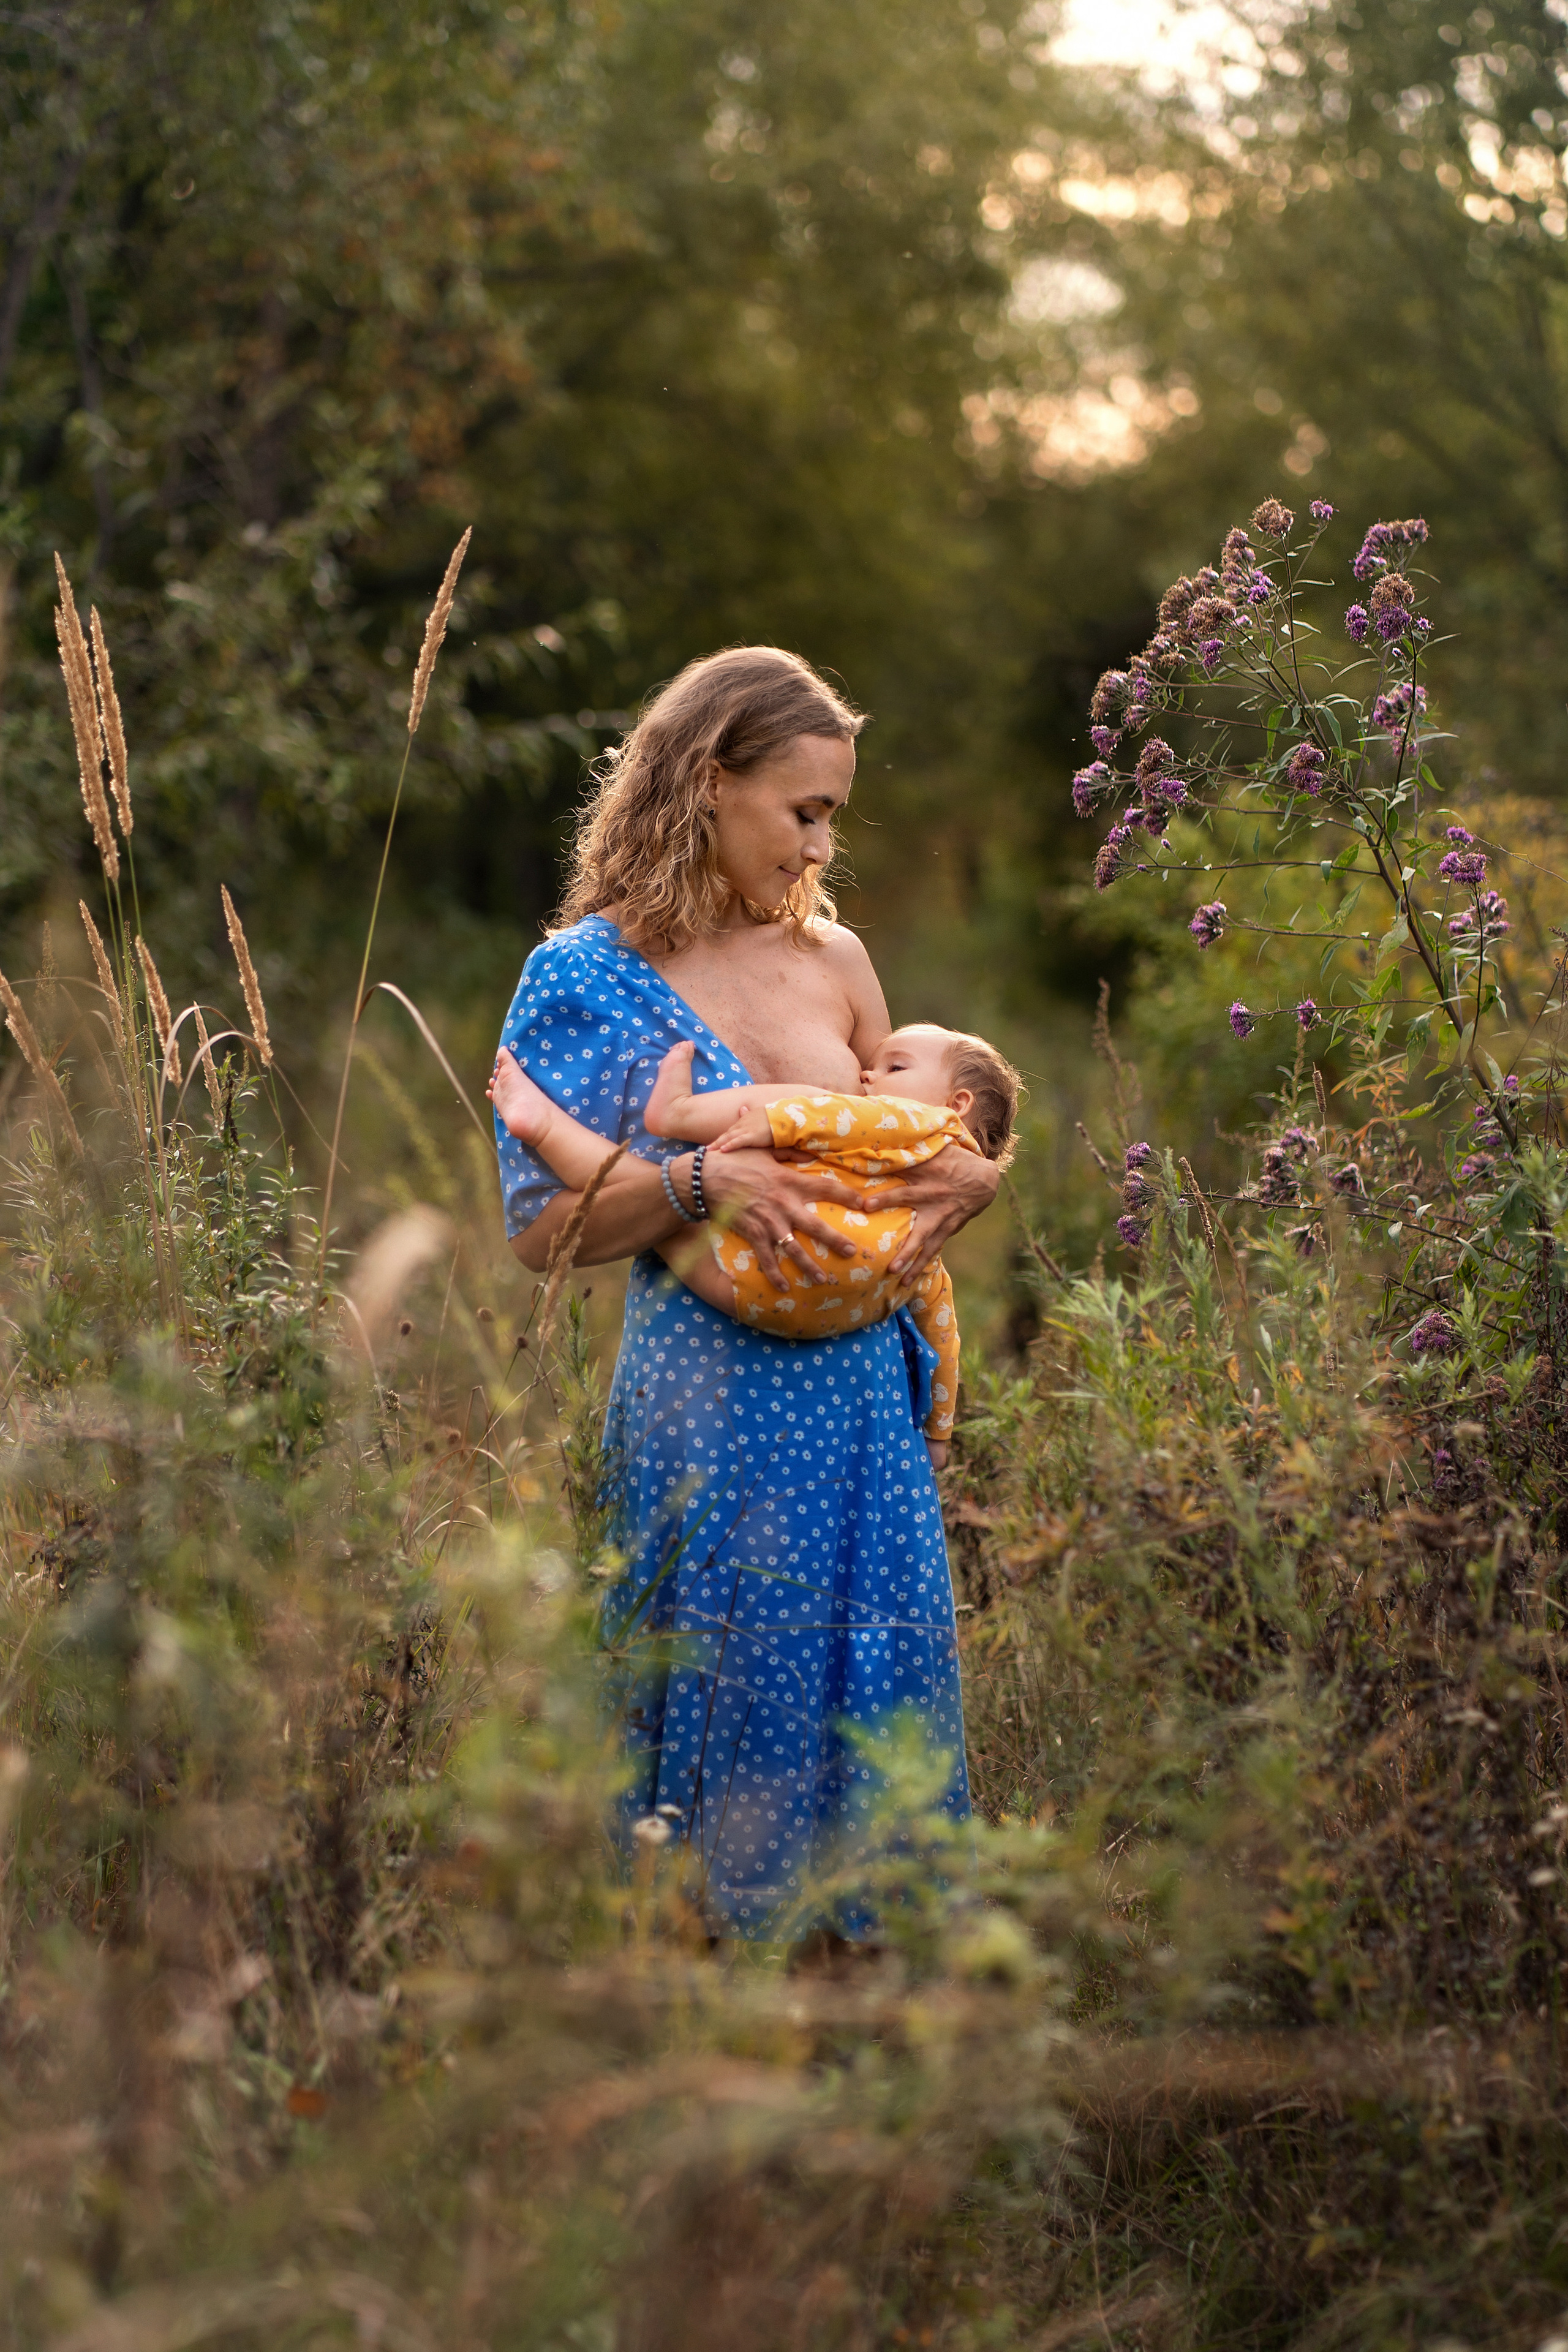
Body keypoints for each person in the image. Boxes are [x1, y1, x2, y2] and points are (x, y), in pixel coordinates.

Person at [494, 645, 1000, 1940]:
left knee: (869, 1714)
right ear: (707, 782)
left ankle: (871, 2023)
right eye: (803, 810)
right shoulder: (585, 976)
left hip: (862, 1420)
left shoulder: (835, 962)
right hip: (705, 1413)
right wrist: (690, 1187)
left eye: (833, 815)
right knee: (716, 1708)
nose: (820, 845)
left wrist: (974, 1173)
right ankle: (696, 2022)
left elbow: (897, 1144)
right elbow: (543, 1231)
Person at [489, 1021, 1022, 1465]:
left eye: (894, 1067)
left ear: (958, 1103)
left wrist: (770, 1126)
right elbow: (942, 1331)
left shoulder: (922, 1122)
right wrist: (939, 1433)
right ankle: (542, 1126)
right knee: (669, 1213)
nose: (867, 1073)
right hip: (788, 1310)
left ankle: (644, 1116)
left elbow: (831, 1117)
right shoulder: (931, 1231)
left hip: (759, 1261)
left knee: (657, 1190)